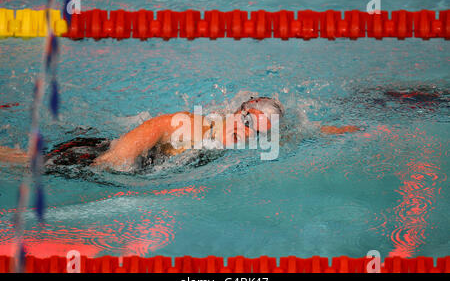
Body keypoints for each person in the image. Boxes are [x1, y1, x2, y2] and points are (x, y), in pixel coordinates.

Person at [0, 97, 359, 173]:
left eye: (256, 132)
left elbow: (300, 131)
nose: (244, 132)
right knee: (24, 164)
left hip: (138, 160)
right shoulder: (198, 125)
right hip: (102, 154)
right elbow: (158, 124)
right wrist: (113, 161)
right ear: (238, 111)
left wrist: (336, 130)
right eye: (245, 121)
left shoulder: (251, 140)